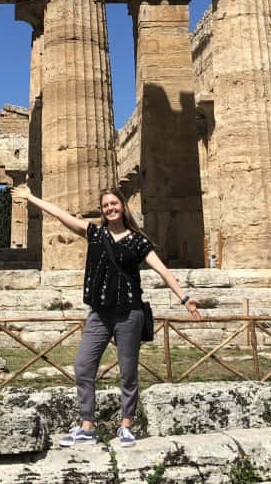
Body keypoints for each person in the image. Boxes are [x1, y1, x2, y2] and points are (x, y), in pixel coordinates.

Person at [19, 184, 203, 448]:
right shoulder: (94, 233)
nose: (110, 208)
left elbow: (162, 270)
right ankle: (87, 426)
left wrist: (185, 298)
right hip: (99, 314)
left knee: (128, 372)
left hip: (130, 313)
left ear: (122, 206)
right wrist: (31, 198)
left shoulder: (139, 242)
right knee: (83, 366)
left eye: (114, 203)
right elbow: (61, 214)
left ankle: (127, 426)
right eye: (106, 205)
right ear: (102, 210)